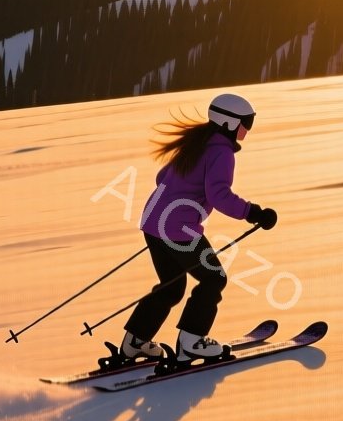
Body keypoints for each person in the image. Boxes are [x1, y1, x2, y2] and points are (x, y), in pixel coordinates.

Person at [119, 93, 278, 365]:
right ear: (229, 123)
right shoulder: (221, 152)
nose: (248, 129)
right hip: (178, 230)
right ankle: (192, 342)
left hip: (153, 223)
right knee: (214, 279)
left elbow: (161, 177)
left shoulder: (198, 142)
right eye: (247, 123)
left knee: (172, 287)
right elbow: (219, 195)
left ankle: (136, 342)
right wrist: (254, 213)